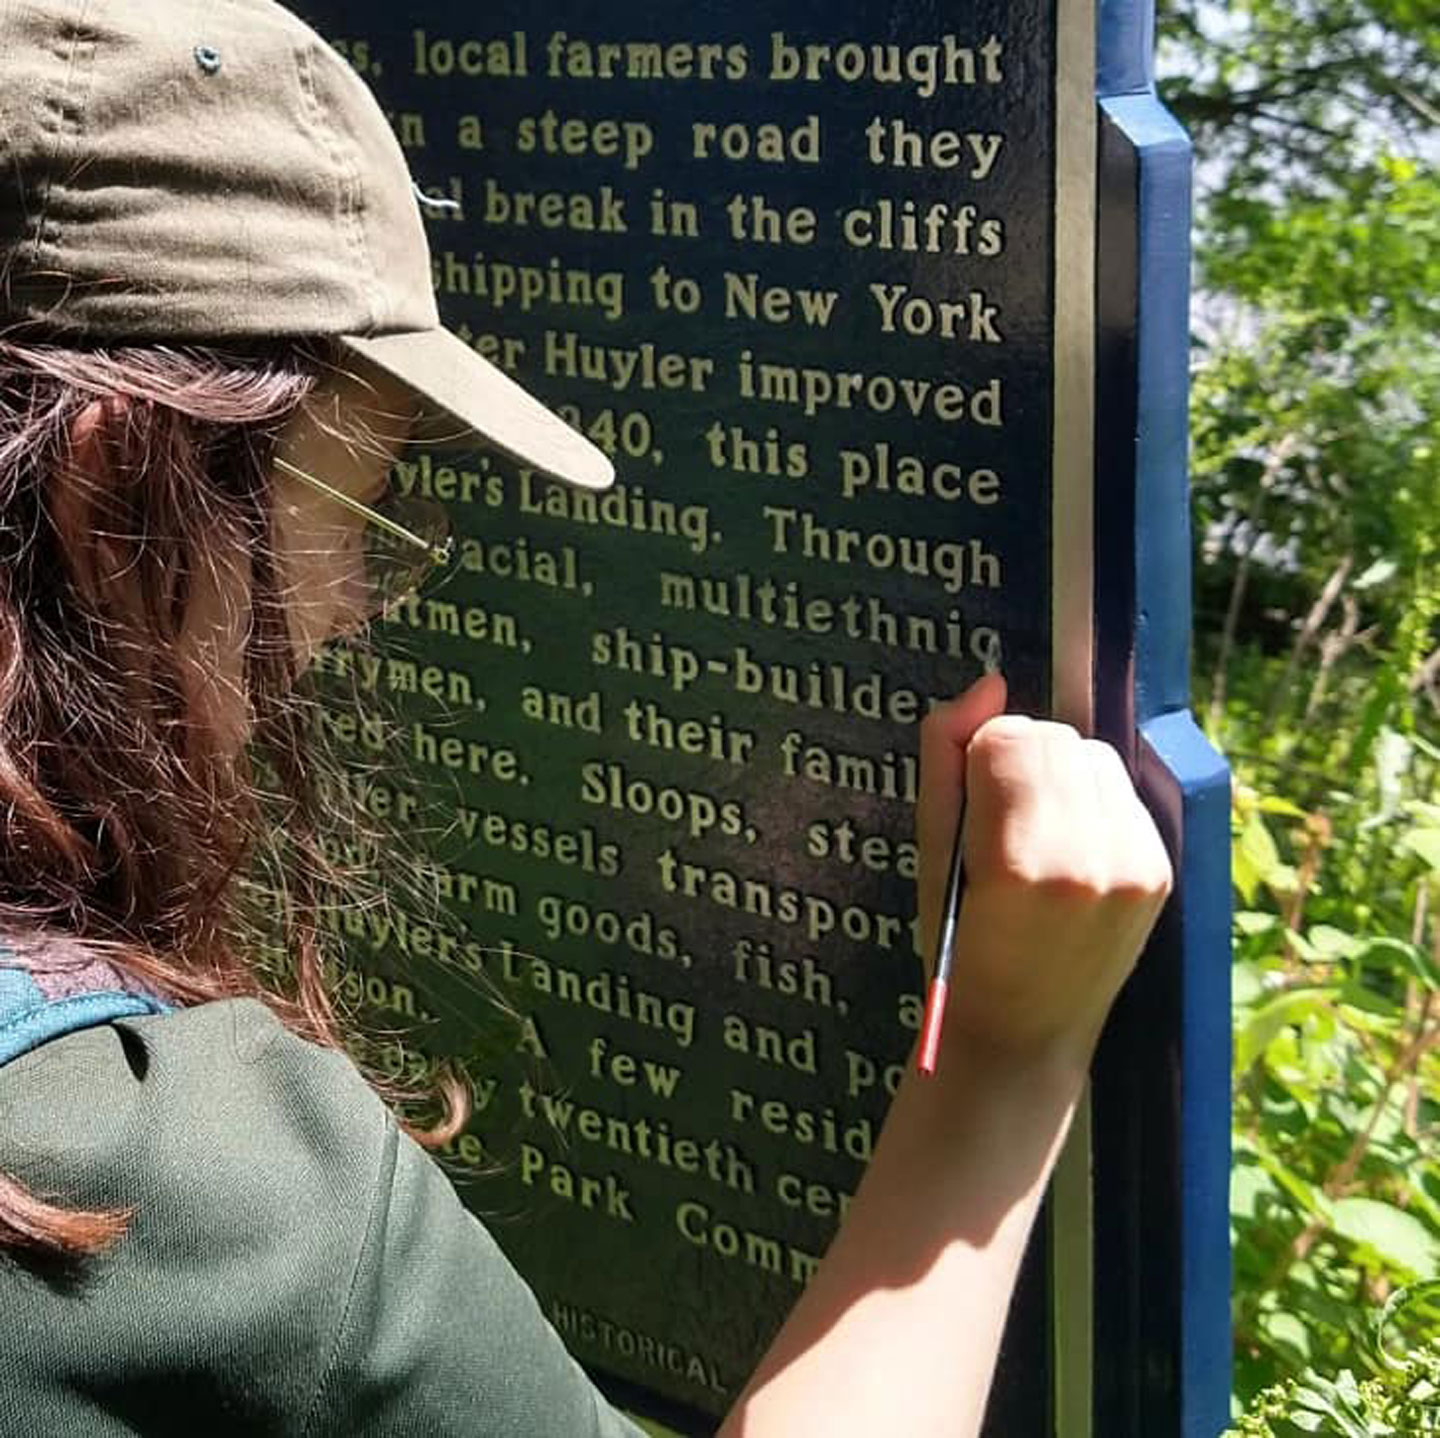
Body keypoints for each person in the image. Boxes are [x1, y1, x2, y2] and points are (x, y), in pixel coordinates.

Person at [0, 2, 1173, 1434]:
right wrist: (1002, 1057)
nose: (363, 602)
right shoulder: (171, 1184)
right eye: (355, 512)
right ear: (114, 498)